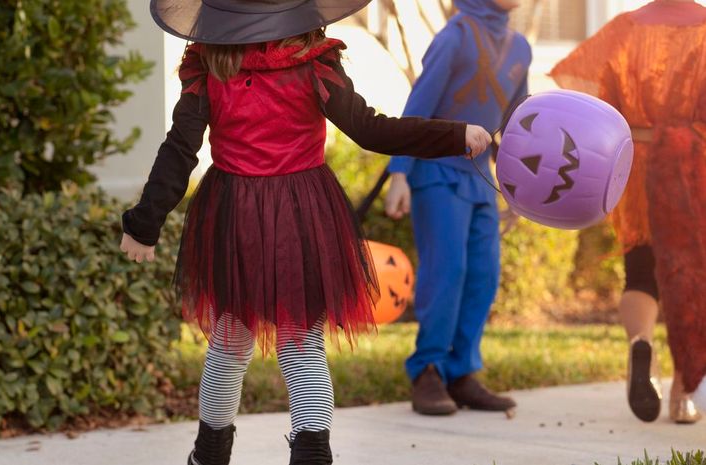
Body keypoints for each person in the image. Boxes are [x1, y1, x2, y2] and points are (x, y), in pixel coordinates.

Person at [119, 1, 493, 463]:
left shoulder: (208, 63)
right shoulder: (313, 61)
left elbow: (180, 150)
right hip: (301, 213)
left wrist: (144, 223)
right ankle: (310, 455)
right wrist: (456, 137)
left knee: (231, 340)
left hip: (235, 214)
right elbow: (371, 130)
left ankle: (209, 455)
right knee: (301, 344)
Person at [551, 0, 706, 424]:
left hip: (634, 163)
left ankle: (642, 343)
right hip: (695, 168)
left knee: (640, 270)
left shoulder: (623, 28)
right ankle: (683, 393)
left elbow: (582, 91)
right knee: (691, 277)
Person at [385, 0, 530, 416]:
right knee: (447, 270)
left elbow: (516, 127)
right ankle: (427, 369)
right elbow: (419, 105)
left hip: (481, 180)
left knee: (483, 275)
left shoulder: (521, 47)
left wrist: (521, 186)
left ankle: (462, 373)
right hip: (436, 173)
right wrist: (399, 174)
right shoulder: (456, 34)